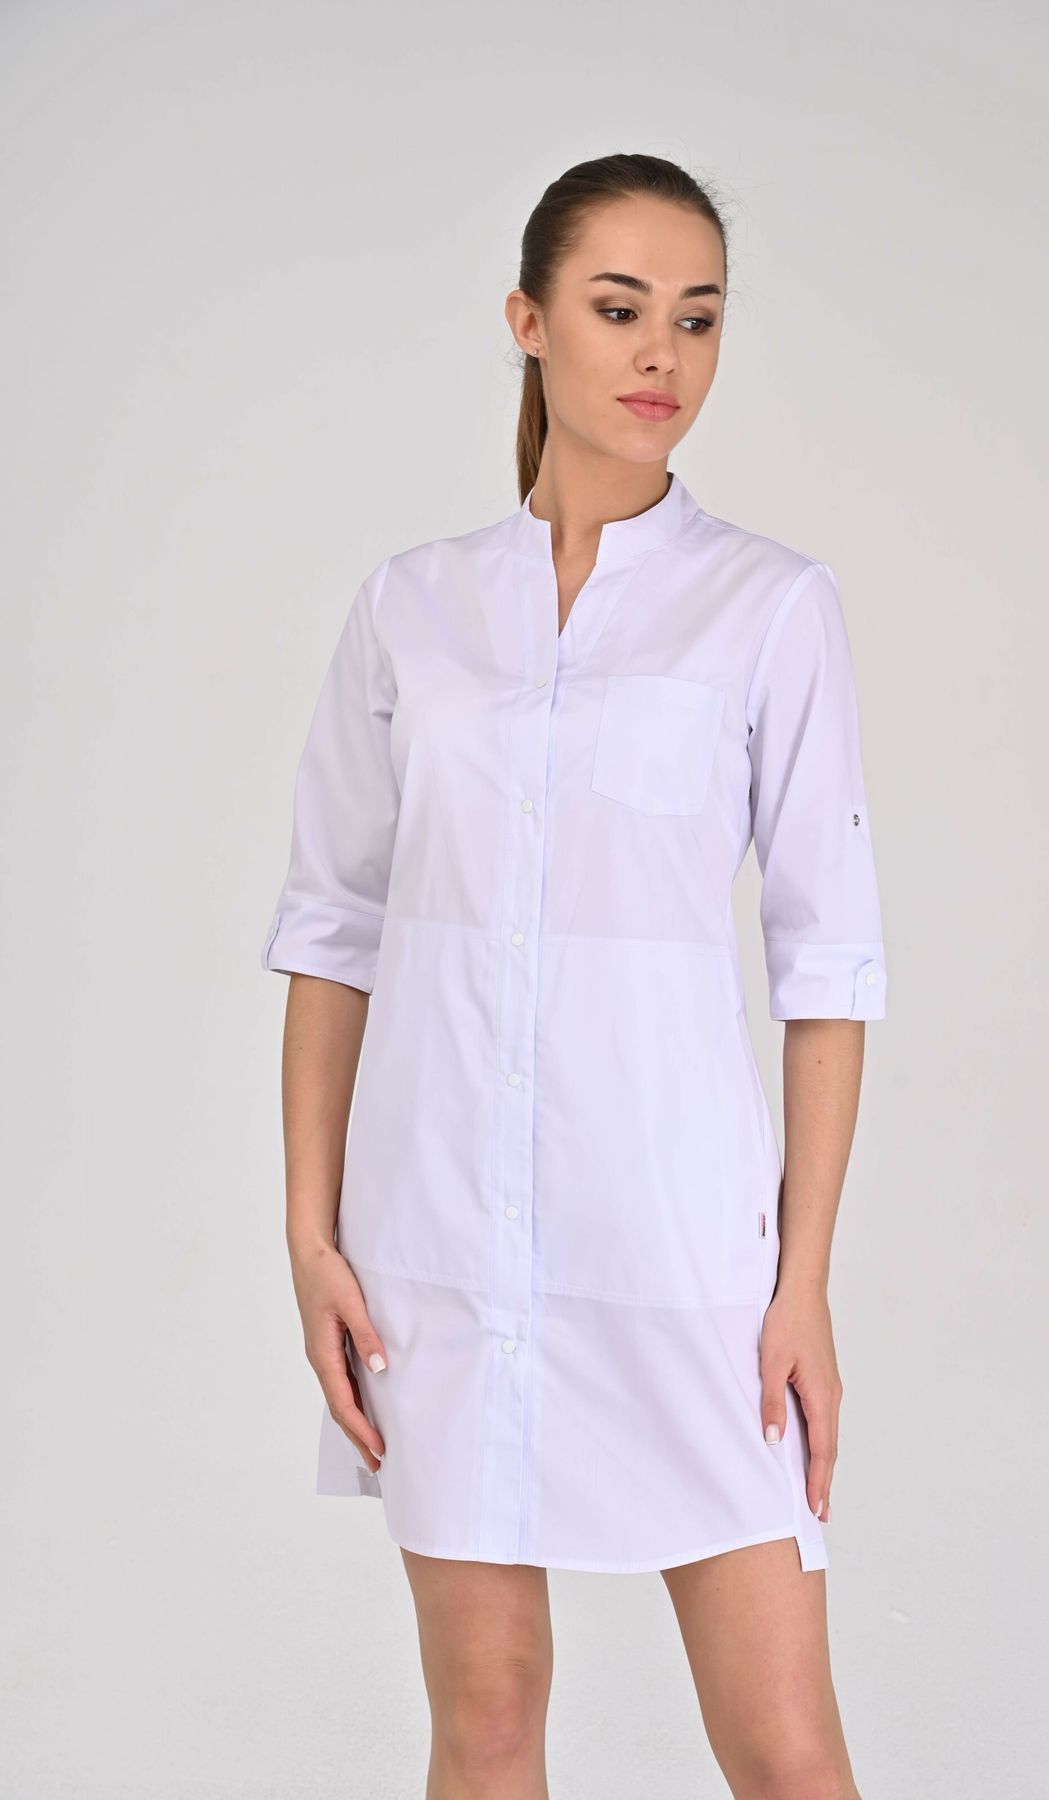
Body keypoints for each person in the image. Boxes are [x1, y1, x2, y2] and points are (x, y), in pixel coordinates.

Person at [260, 152, 887, 1800]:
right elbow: (333, 932)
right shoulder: (411, 609)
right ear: (528, 320)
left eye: (697, 317)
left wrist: (802, 1280)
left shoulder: (769, 608)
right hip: (442, 1252)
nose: (660, 353)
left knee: (785, 1747)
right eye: (618, 309)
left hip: (684, 1253)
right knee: (484, 1720)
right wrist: (313, 1238)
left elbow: (827, 963)